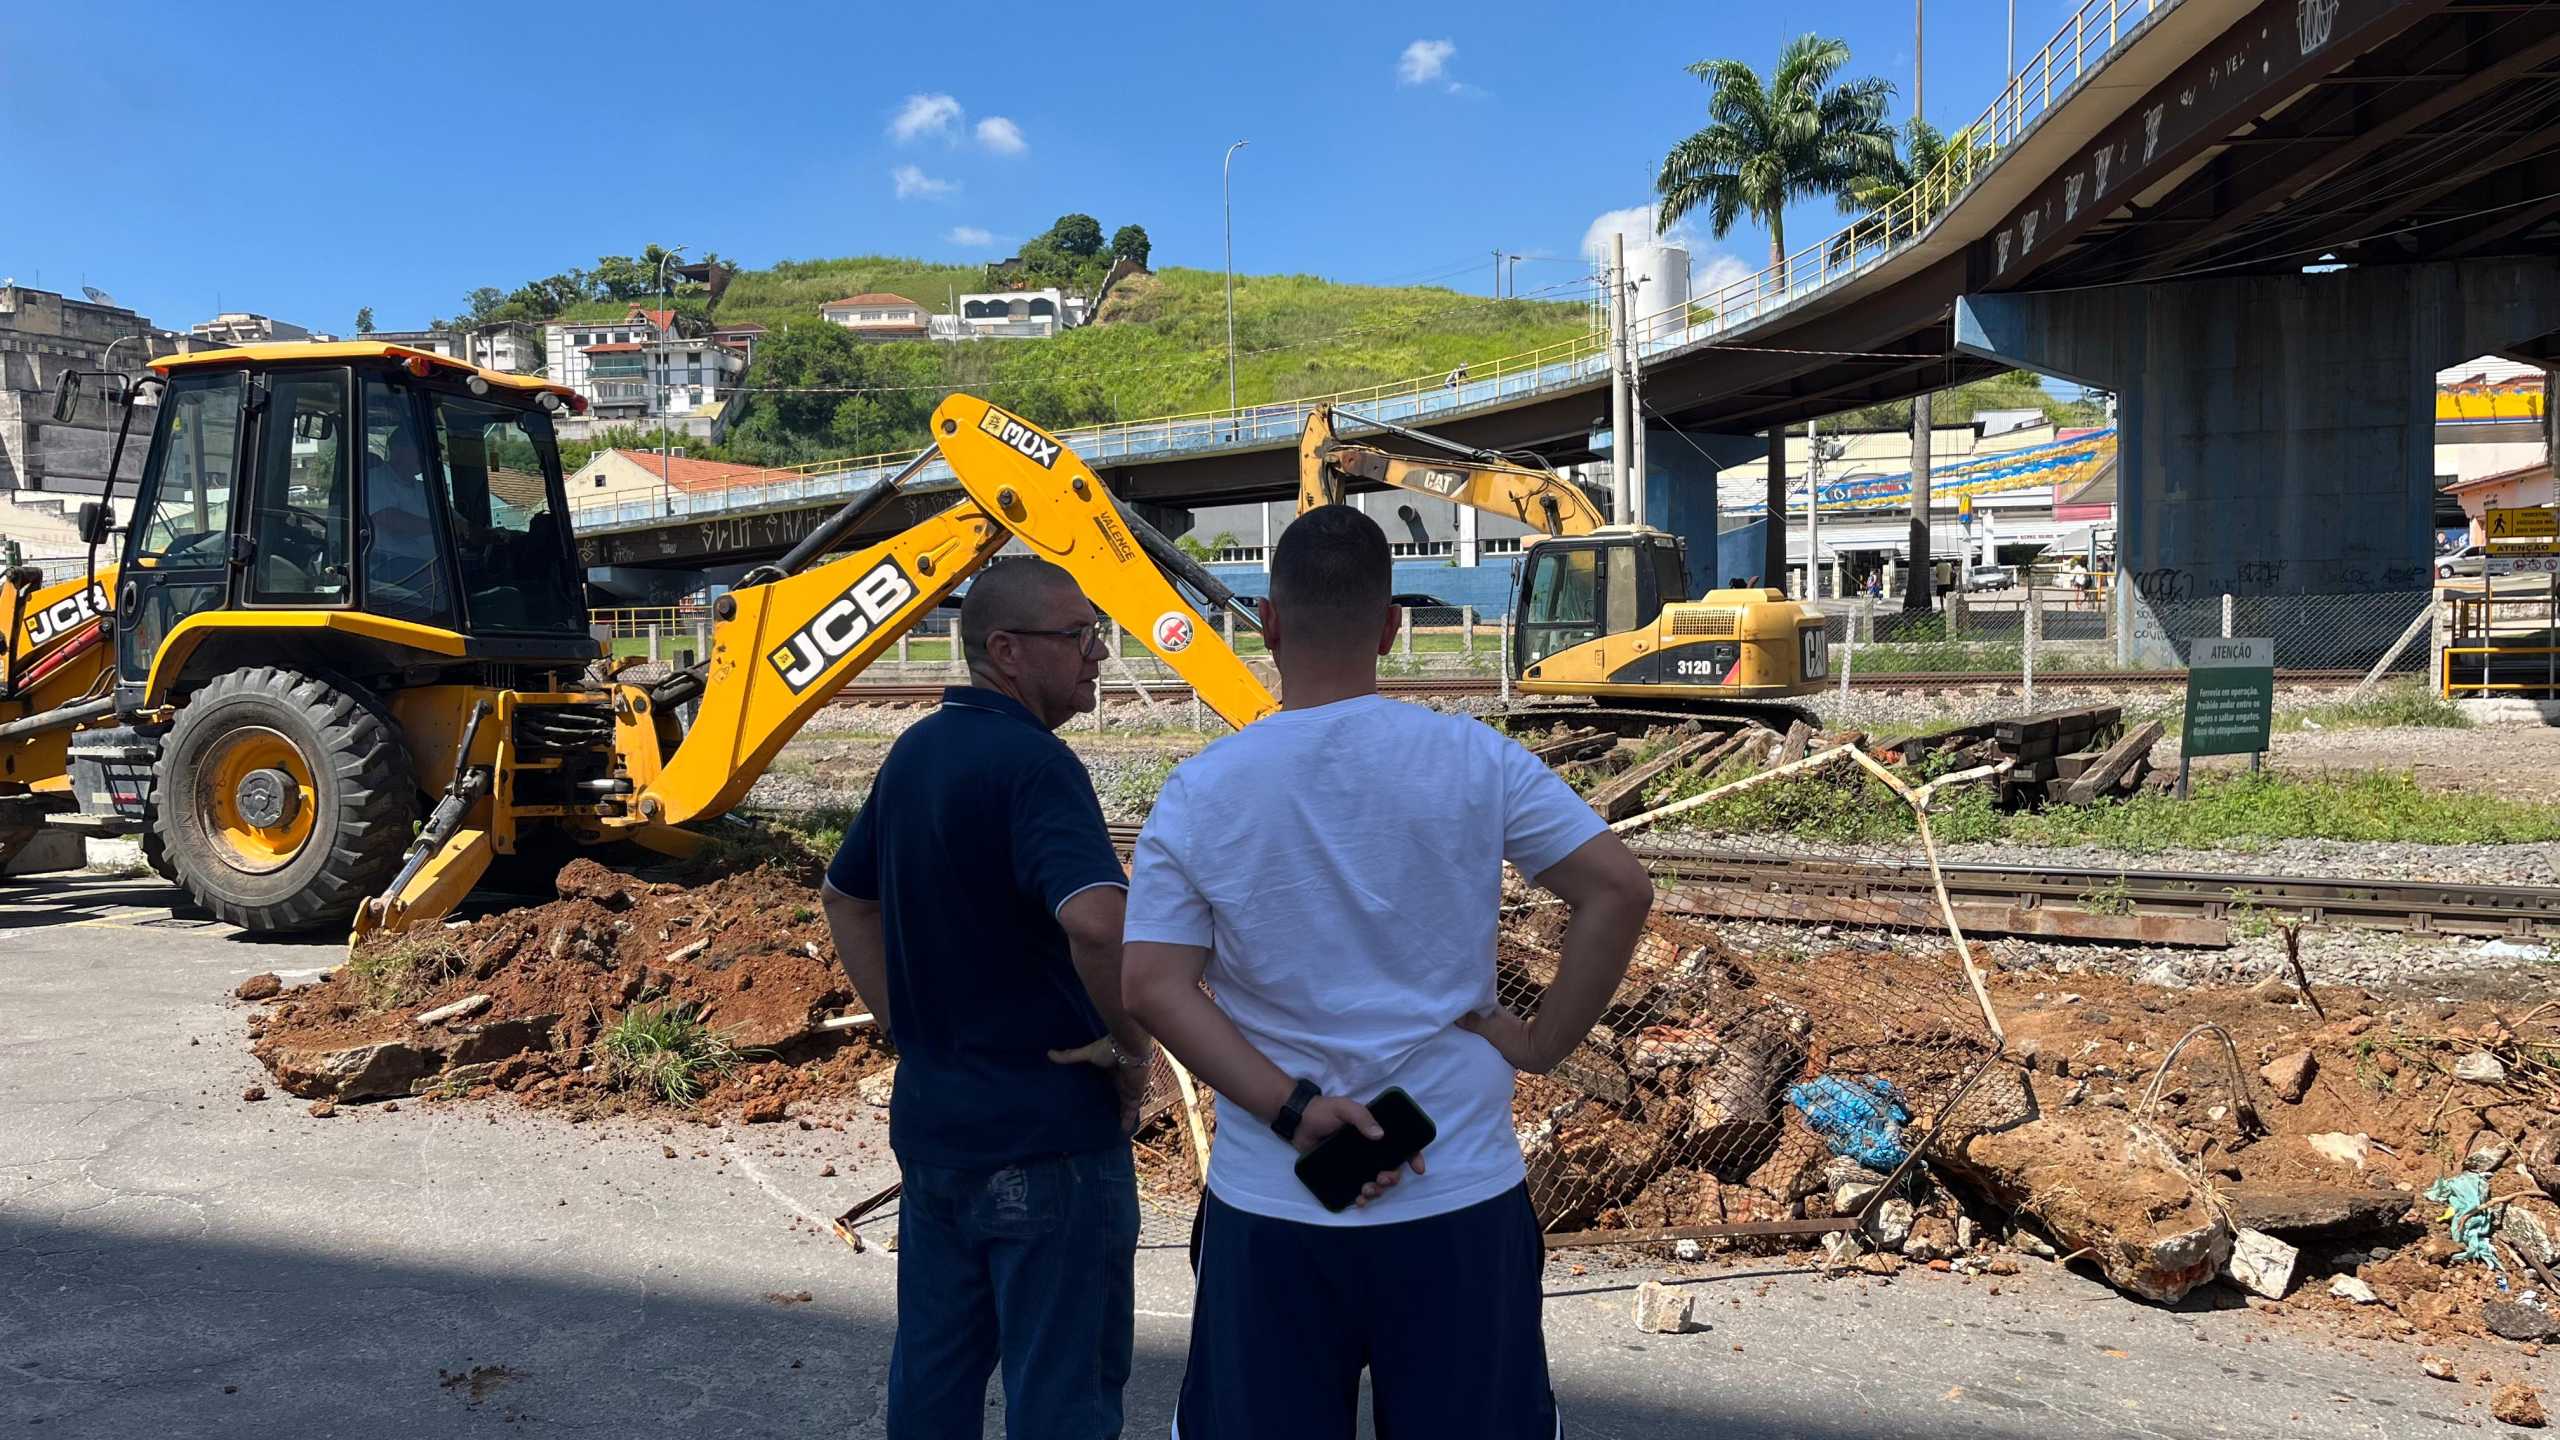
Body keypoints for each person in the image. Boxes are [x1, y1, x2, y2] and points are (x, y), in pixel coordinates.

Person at [1122, 505, 1655, 1438]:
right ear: (1391, 627)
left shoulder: (1203, 789)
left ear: (1269, 624)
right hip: (1458, 1198)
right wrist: (1541, 1045)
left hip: (1271, 1209)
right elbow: (1616, 889)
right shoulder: (1476, 759)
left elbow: (1153, 985)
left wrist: (1294, 1109)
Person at [820, 558, 1152, 1440]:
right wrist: (1131, 1049)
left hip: (938, 1129)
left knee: (932, 1382)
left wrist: (905, 1024)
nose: (1097, 654)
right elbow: (1096, 923)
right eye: (1077, 636)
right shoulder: (1036, 765)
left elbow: (846, 897)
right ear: (1006, 651)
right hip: (1045, 1138)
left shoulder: (918, 749)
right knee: (1062, 1400)